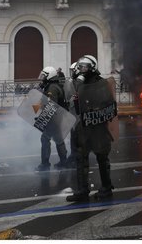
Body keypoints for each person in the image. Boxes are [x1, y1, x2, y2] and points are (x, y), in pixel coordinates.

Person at [67, 55, 116, 202]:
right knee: (80, 159)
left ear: (92, 67)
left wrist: (97, 109)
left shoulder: (101, 83)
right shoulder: (79, 83)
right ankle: (82, 190)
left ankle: (106, 188)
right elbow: (74, 102)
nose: (81, 69)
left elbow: (109, 104)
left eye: (84, 67)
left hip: (98, 128)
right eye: (80, 66)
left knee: (102, 158)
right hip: (83, 128)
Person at [35, 66, 70, 171]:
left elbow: (51, 105)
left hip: (53, 119)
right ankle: (64, 162)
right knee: (58, 139)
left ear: (49, 76)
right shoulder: (52, 86)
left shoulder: (52, 88)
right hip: (57, 117)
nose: (42, 78)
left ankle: (45, 164)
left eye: (44, 76)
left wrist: (42, 117)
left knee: (45, 139)